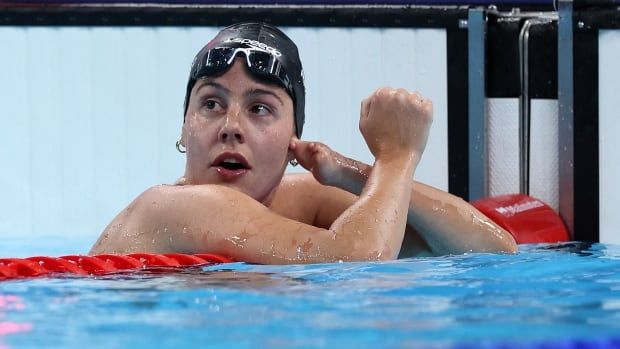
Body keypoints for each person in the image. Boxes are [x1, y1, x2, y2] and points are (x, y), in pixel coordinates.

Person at [89, 22, 517, 263]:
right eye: (212, 104)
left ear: (294, 139)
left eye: (259, 108)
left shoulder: (296, 202)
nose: (230, 126)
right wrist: (399, 155)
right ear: (184, 127)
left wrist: (350, 173)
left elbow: (492, 249)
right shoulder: (176, 205)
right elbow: (357, 262)